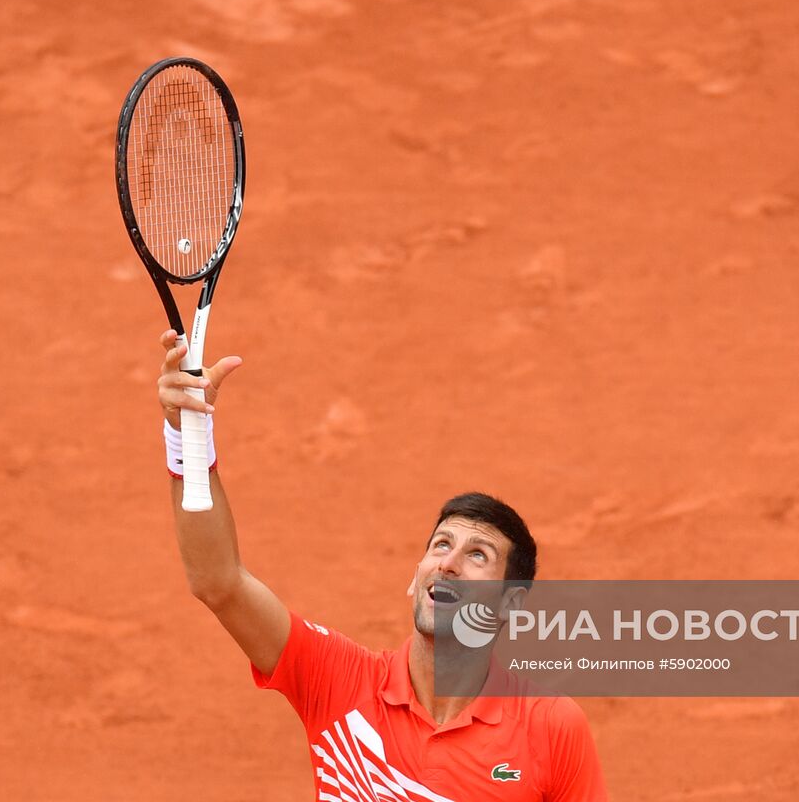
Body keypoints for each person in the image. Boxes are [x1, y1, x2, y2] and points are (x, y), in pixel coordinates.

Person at [154, 329, 608, 801]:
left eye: (478, 555)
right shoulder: (339, 683)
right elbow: (218, 582)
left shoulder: (551, 728)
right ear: (415, 578)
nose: (448, 564)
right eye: (440, 545)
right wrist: (187, 434)